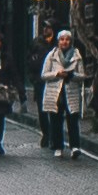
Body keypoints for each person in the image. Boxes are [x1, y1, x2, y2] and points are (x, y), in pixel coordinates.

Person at [38, 30, 86, 158]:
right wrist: (56, 74)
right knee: (55, 120)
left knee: (72, 120)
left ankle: (75, 146)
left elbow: (82, 76)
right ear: (58, 41)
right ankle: (58, 146)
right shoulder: (51, 55)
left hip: (71, 92)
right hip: (55, 93)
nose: (64, 42)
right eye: (62, 39)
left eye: (67, 39)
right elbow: (43, 75)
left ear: (71, 41)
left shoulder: (77, 55)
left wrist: (71, 75)